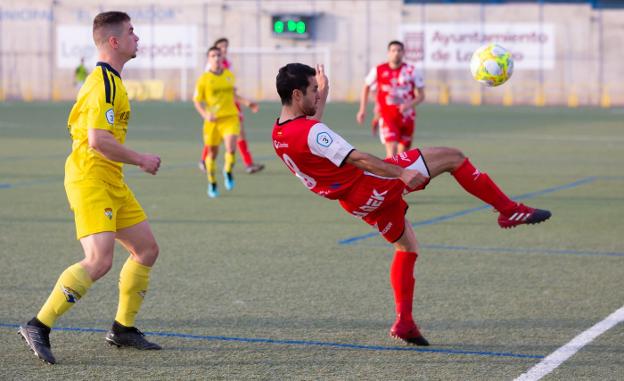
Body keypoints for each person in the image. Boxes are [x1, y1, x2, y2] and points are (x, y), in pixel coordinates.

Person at [272, 63, 551, 346]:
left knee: (406, 247)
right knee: (454, 158)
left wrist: (325, 92)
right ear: (297, 95)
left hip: (354, 202)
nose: (317, 95)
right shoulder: (310, 133)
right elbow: (359, 159)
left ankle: (404, 322)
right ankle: (508, 210)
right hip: (372, 182)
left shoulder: (279, 134)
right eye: (313, 91)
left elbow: (310, 131)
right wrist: (401, 173)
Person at [18, 11, 162, 365]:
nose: (137, 38)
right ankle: (38, 324)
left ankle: (122, 329)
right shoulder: (103, 83)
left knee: (146, 250)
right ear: (114, 41)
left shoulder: (113, 80)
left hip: (110, 178)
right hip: (90, 178)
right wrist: (141, 158)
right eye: (131, 32)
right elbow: (98, 140)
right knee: (99, 260)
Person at [193, 46, 258, 198]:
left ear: (223, 58)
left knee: (230, 148)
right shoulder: (204, 79)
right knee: (213, 154)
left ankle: (228, 171)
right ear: (208, 59)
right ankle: (212, 181)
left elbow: (234, 95)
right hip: (213, 122)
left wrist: (247, 102)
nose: (216, 58)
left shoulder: (229, 75)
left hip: (230, 117)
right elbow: (197, 101)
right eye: (213, 55)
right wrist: (205, 114)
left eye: (218, 55)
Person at [198, 37, 264, 175]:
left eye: (226, 47)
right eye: (221, 47)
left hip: (231, 105)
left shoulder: (228, 64)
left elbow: (232, 90)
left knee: (239, 134)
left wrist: (245, 102)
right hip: (217, 108)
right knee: (215, 136)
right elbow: (207, 89)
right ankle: (205, 160)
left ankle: (248, 163)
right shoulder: (211, 68)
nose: (224, 50)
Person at [357, 40, 425, 158]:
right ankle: (389, 176)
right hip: (387, 116)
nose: (396, 53)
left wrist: (409, 105)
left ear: (403, 53)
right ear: (388, 53)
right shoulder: (379, 69)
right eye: (393, 50)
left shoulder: (411, 71)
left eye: (399, 50)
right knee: (391, 152)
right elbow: (366, 87)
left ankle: (399, 175)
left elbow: (421, 95)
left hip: (407, 117)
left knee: (403, 156)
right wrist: (362, 109)